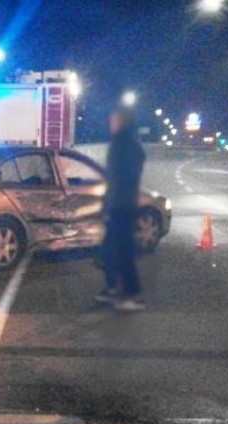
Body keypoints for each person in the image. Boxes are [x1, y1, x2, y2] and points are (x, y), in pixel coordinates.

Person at [95, 105, 147, 312]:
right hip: (118, 205)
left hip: (122, 207)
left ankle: (135, 295)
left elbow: (119, 180)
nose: (110, 122)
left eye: (114, 119)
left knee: (123, 252)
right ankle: (112, 288)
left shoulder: (125, 144)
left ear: (123, 121)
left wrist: (109, 205)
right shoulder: (123, 143)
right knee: (108, 250)